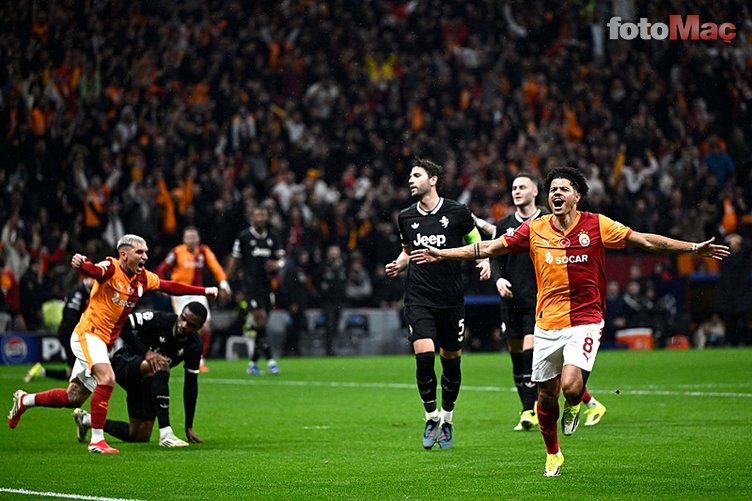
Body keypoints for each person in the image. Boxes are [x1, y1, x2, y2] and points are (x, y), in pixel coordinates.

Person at [412, 166, 729, 475]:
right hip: (547, 323)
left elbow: (645, 241)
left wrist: (693, 248)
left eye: (563, 189)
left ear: (577, 196)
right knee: (545, 397)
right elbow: (491, 247)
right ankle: (553, 454)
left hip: (585, 319)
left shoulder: (597, 225)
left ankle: (576, 403)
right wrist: (444, 253)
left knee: (571, 385)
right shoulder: (535, 229)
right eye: (553, 190)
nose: (557, 194)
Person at [7, 234, 218, 454]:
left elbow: (170, 286)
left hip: (103, 342)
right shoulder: (110, 267)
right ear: (124, 255)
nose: (145, 256)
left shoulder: (143, 278)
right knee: (107, 378)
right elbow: (94, 271)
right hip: (88, 334)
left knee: (73, 397)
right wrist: (82, 264)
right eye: (139, 252)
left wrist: (204, 291)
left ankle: (25, 400)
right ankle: (97, 441)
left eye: (146, 252)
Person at [475, 173, 608, 432]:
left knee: (532, 355)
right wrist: (498, 279)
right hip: (511, 299)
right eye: (513, 187)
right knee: (519, 359)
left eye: (522, 187)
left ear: (536, 191)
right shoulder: (505, 223)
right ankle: (554, 406)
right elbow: (496, 254)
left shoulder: (549, 220)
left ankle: (530, 410)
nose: (516, 191)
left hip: (541, 304)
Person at [385, 158, 490, 450]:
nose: (410, 180)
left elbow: (474, 238)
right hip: (418, 297)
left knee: (451, 362)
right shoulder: (406, 216)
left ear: (433, 180)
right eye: (410, 176)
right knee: (424, 356)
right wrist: (400, 263)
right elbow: (408, 251)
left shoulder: (457, 211)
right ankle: (431, 417)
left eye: (416, 175)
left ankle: (448, 419)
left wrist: (483, 260)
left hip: (451, 299)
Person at [73, 302, 208, 448]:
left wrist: (189, 426)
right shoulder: (160, 319)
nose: (184, 325)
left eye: (191, 325)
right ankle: (166, 433)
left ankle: (87, 420)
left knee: (139, 435)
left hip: (148, 380)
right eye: (183, 318)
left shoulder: (195, 345)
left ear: (199, 328)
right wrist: (146, 352)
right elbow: (122, 325)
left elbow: (191, 385)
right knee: (161, 364)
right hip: (125, 362)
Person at [157, 226, 232, 372]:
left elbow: (215, 267)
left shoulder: (204, 251)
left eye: (193, 237)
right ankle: (172, 354)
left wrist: (223, 283)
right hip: (180, 293)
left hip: (198, 292)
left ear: (198, 239)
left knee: (206, 326)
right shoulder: (177, 252)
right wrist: (162, 286)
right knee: (184, 326)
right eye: (188, 237)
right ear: (184, 239)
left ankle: (200, 359)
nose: (191, 240)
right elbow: (161, 269)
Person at [226, 206, 286, 375]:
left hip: (267, 286)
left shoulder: (273, 237)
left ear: (266, 218)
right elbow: (235, 261)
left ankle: (252, 363)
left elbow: (282, 259)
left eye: (262, 215)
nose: (260, 219)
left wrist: (277, 264)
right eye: (257, 216)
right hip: (250, 286)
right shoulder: (244, 237)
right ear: (252, 218)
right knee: (260, 318)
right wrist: (225, 282)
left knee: (262, 326)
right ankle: (271, 361)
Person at [24, 278, 94, 383]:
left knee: (75, 372)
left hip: (71, 332)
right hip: (70, 333)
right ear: (88, 278)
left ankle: (41, 371)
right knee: (78, 373)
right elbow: (71, 316)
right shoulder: (78, 292)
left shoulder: (86, 291)